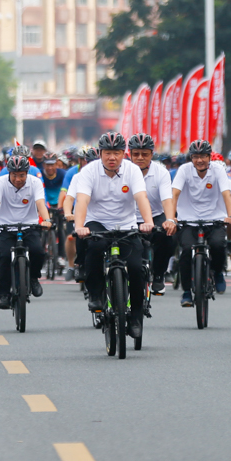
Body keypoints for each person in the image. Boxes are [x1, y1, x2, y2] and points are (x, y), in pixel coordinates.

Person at [72, 131, 155, 339]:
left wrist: (148, 222)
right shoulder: (88, 172)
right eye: (107, 153)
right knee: (95, 248)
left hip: (126, 225)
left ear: (123, 154)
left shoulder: (133, 171)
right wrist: (80, 226)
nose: (112, 158)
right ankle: (95, 294)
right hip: (97, 223)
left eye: (117, 153)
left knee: (137, 268)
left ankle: (135, 317)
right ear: (100, 153)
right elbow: (81, 200)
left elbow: (141, 197)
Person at [171, 140, 231, 305]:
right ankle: (186, 291)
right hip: (188, 220)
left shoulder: (218, 170)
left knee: (219, 245)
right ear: (191, 158)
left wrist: (230, 215)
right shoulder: (184, 170)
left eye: (203, 156)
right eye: (196, 157)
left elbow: (227, 194)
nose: (200, 160)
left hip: (214, 219)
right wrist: (171, 217)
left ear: (209, 157)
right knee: (185, 252)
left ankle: (218, 272)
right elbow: (174, 194)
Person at [0, 155, 50, 310]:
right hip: (6, 226)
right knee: (5, 257)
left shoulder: (35, 182)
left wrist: (46, 220)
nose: (18, 179)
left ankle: (34, 278)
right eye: (14, 175)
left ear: (27, 173)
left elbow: (40, 203)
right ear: (8, 172)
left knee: (38, 251)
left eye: (21, 175)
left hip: (29, 226)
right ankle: (4, 294)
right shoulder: (0, 183)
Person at [129, 133, 177, 295]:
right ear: (129, 154)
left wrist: (170, 220)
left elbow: (167, 200)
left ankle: (158, 275)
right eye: (136, 154)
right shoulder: (121, 170)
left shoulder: (161, 172)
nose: (140, 158)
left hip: (156, 215)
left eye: (145, 154)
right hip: (128, 218)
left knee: (168, 236)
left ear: (152, 154)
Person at [59, 146, 92, 280]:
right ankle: (72, 265)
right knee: (72, 237)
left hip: (96, 213)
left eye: (89, 160)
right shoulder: (73, 174)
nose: (86, 163)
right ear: (78, 160)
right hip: (77, 211)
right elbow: (65, 193)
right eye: (83, 160)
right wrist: (65, 211)